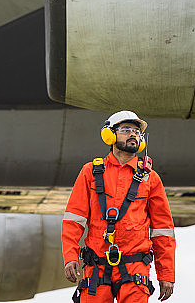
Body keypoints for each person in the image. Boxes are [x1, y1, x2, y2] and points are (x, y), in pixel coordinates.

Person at [62, 111, 175, 302]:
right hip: (96, 267)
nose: (133, 134)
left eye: (137, 131)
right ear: (110, 135)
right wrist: (70, 256)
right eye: (126, 129)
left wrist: (166, 275)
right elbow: (74, 219)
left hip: (135, 268)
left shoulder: (150, 178)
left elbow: (163, 231)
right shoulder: (90, 172)